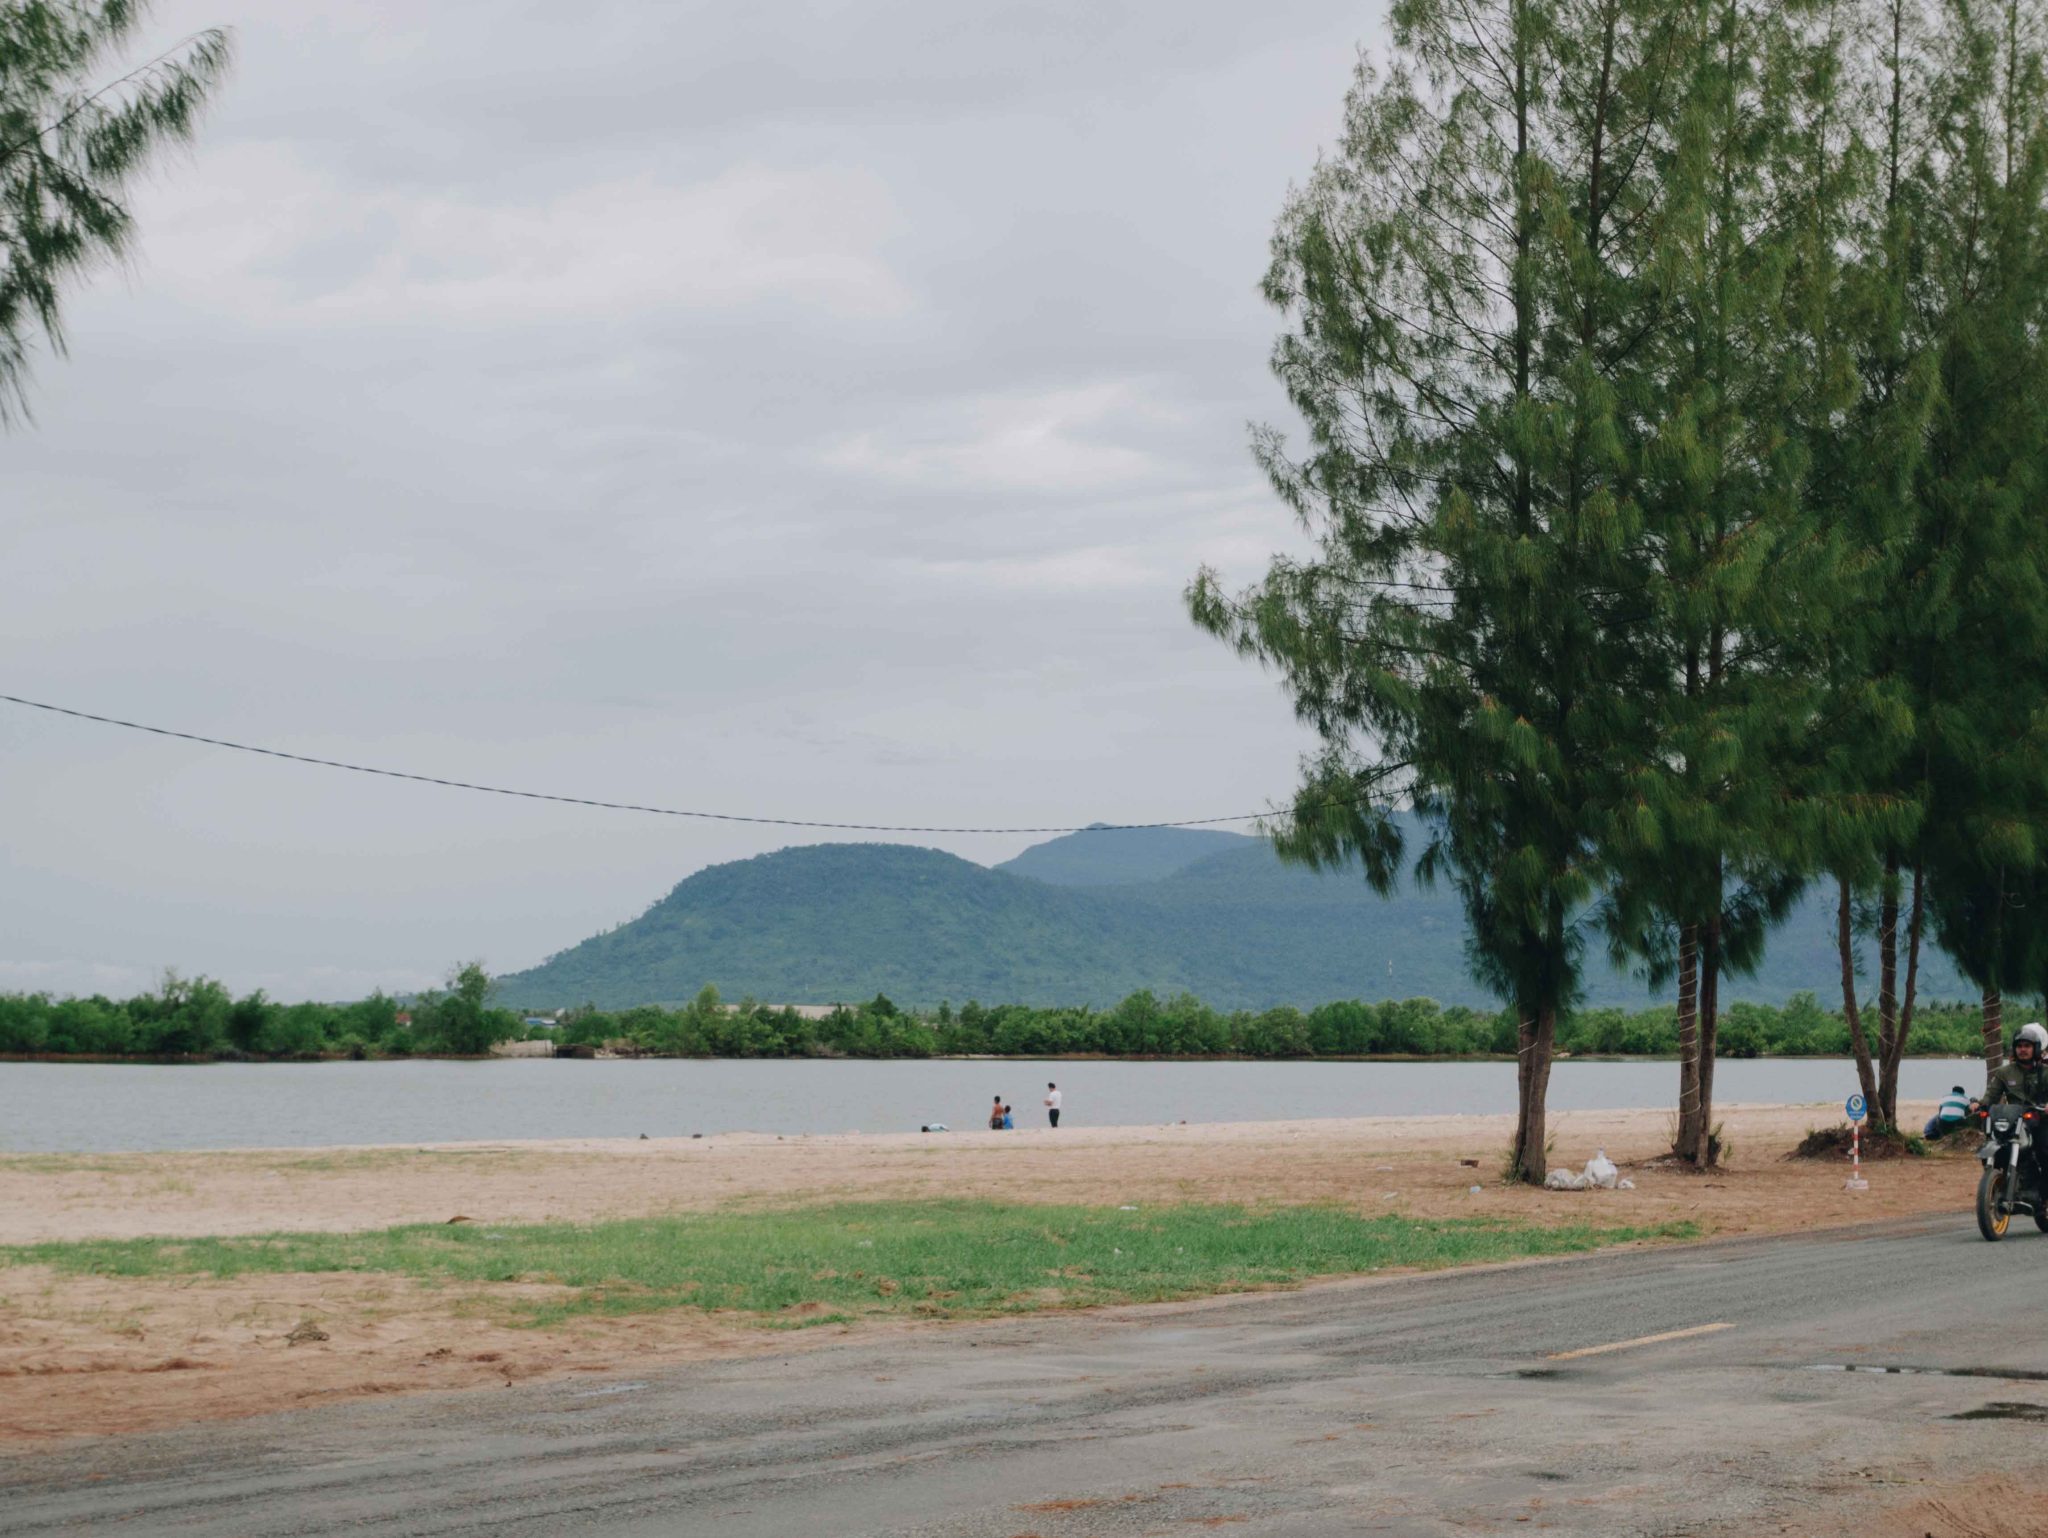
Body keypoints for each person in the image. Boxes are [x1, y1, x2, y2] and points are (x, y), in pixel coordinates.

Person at [1975, 1023, 2048, 1113]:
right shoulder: (2004, 1072)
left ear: (2036, 1049)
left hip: (2042, 1119)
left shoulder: (2045, 1072)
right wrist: (1978, 1104)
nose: (2022, 1049)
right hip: (2013, 1120)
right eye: (2019, 1046)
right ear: (2014, 1049)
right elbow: (1991, 1095)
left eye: (2027, 1046)